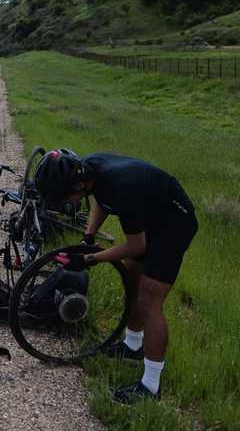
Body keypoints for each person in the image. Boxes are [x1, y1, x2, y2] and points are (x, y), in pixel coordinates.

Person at [34, 148, 198, 404]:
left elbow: (136, 246)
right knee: (133, 281)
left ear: (78, 184)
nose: (68, 201)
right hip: (152, 212)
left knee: (149, 299)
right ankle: (133, 346)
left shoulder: (122, 186)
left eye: (66, 196)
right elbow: (101, 200)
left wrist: (88, 259)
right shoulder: (89, 170)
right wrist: (88, 237)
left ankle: (151, 387)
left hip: (174, 224)